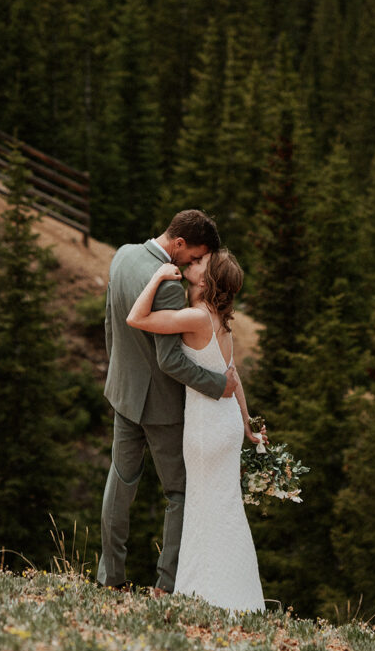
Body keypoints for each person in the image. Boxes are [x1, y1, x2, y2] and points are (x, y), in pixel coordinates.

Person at [97, 210, 239, 595]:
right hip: (162, 408)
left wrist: (118, 373)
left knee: (121, 482)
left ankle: (111, 579)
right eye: (194, 256)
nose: (194, 264)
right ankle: (166, 585)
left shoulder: (123, 255)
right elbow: (170, 360)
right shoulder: (171, 286)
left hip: (123, 395)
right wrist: (216, 385)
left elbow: (111, 324)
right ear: (179, 244)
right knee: (177, 493)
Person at [126, 247, 266, 613]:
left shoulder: (196, 318)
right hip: (228, 429)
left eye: (201, 262)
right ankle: (237, 596)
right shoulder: (221, 322)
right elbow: (234, 380)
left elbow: (136, 318)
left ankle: (202, 592)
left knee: (203, 509)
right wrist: (248, 427)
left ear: (206, 281)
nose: (192, 262)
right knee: (226, 509)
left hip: (205, 430)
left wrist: (156, 277)